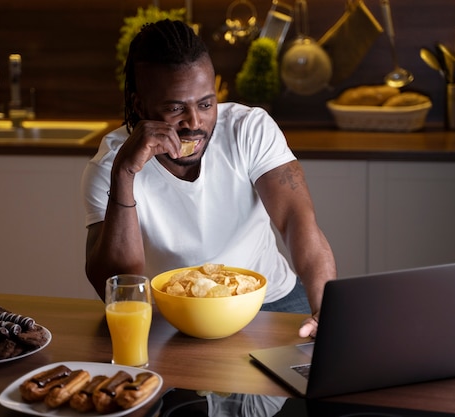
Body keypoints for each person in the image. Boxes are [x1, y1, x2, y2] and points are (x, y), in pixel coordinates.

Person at [81, 19, 336, 338]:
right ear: (139, 104)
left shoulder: (249, 129)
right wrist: (125, 174)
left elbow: (297, 221)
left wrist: (325, 304)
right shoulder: (111, 165)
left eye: (206, 103)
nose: (194, 122)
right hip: (173, 315)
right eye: (175, 108)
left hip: (271, 303)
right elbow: (118, 283)